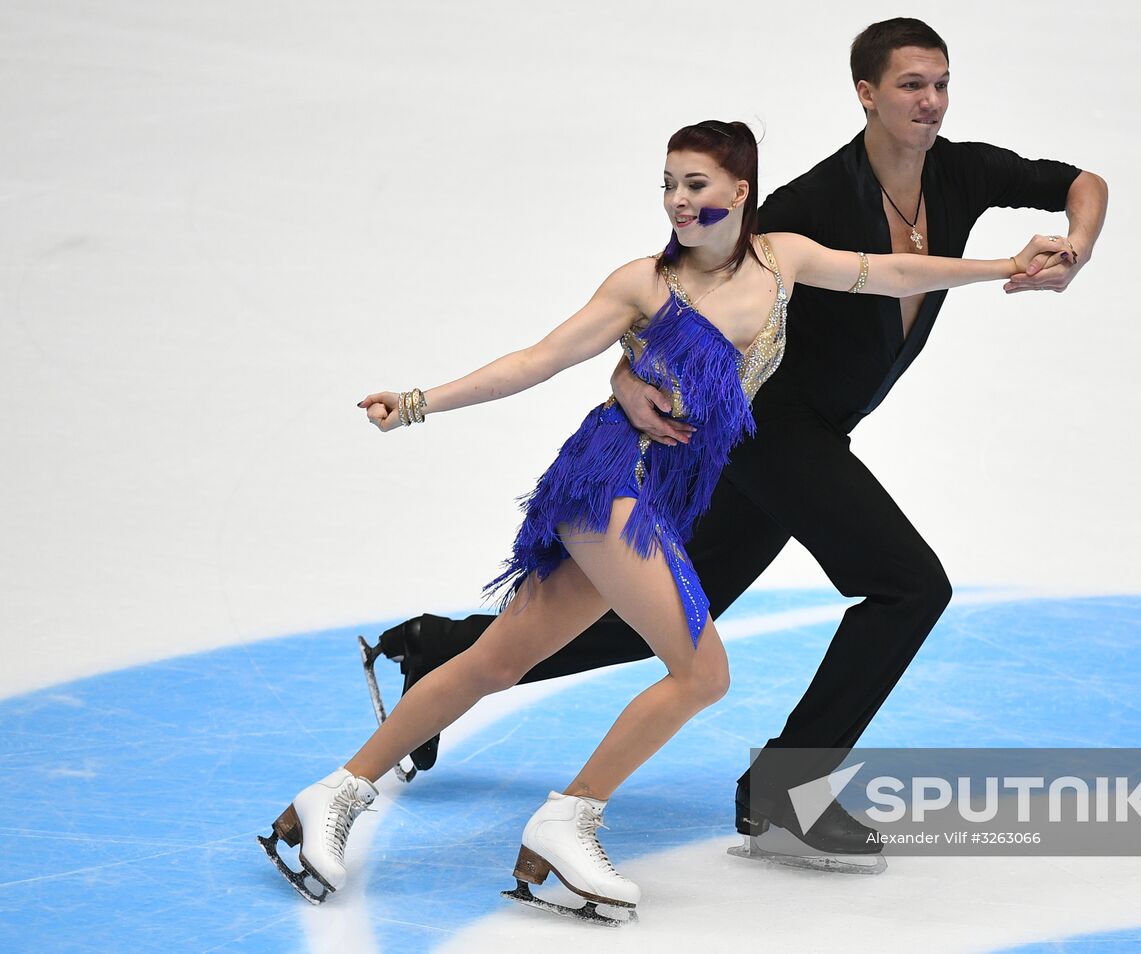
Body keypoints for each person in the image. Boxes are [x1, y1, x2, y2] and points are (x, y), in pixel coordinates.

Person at [258, 117, 1063, 921]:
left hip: (660, 499)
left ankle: (330, 796)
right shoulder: (643, 283)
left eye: (697, 186)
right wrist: (419, 403)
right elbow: (538, 360)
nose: (679, 202)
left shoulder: (784, 260)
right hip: (612, 483)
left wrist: (1004, 265)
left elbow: (887, 271)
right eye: (670, 186)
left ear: (740, 191)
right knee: (703, 672)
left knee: (494, 663)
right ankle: (569, 820)